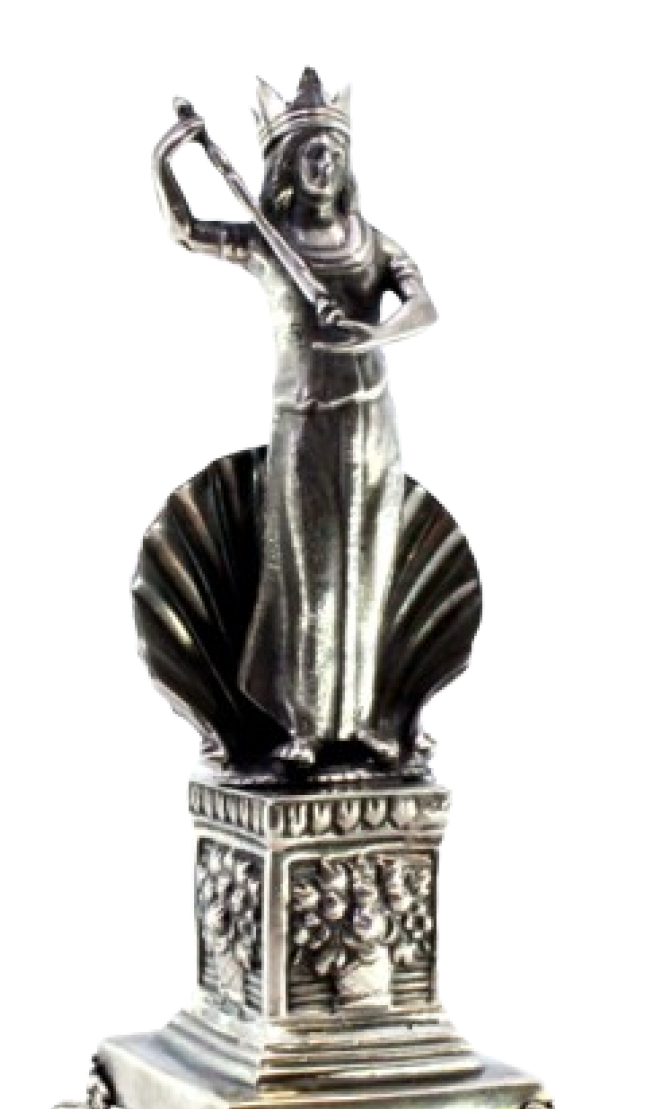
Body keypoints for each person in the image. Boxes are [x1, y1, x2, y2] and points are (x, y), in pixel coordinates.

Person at [149, 68, 439, 768]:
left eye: (333, 151)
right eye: (310, 151)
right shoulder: (266, 239)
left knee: (367, 568)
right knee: (310, 572)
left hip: (369, 424)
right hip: (305, 422)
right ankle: (305, 726)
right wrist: (168, 156)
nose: (323, 162)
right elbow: (187, 231)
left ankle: (364, 722)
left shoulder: (371, 242)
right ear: (285, 163)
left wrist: (373, 332)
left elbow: (424, 307)